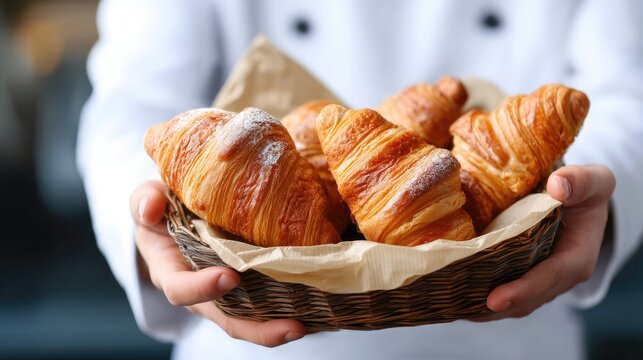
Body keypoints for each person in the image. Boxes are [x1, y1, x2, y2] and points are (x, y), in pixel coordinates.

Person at [77, 0, 643, 359]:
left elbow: (630, 84)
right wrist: (145, 215)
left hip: (507, 328)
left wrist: (593, 192)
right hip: (261, 334)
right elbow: (132, 101)